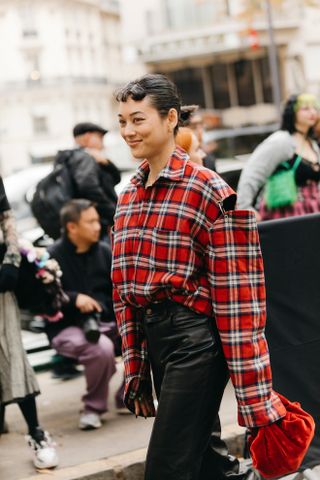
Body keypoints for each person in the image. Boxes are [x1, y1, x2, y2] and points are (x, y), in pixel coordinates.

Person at [111, 73, 286, 480]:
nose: (127, 131)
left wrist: (254, 391)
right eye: (121, 121)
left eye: (138, 119)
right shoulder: (128, 197)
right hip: (158, 342)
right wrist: (136, 366)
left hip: (197, 346)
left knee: (166, 468)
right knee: (209, 464)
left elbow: (240, 295)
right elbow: (124, 291)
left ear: (170, 118)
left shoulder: (208, 189)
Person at [46, 199, 122, 430]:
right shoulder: (50, 257)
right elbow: (42, 301)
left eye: (97, 220)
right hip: (67, 328)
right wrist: (73, 299)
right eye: (90, 222)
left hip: (107, 322)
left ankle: (130, 397)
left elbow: (118, 292)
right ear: (72, 226)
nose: (98, 226)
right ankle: (93, 408)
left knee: (151, 333)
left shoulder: (105, 251)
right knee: (101, 349)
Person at [0, 176, 58, 470]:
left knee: (12, 353)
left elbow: (7, 219)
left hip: (1, 282)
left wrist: (11, 261)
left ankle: (36, 432)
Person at [237, 93, 320, 221]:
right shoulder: (281, 141)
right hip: (286, 215)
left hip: (313, 213)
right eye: (305, 108)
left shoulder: (312, 143)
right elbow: (253, 172)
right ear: (293, 112)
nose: (312, 112)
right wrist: (245, 208)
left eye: (314, 108)